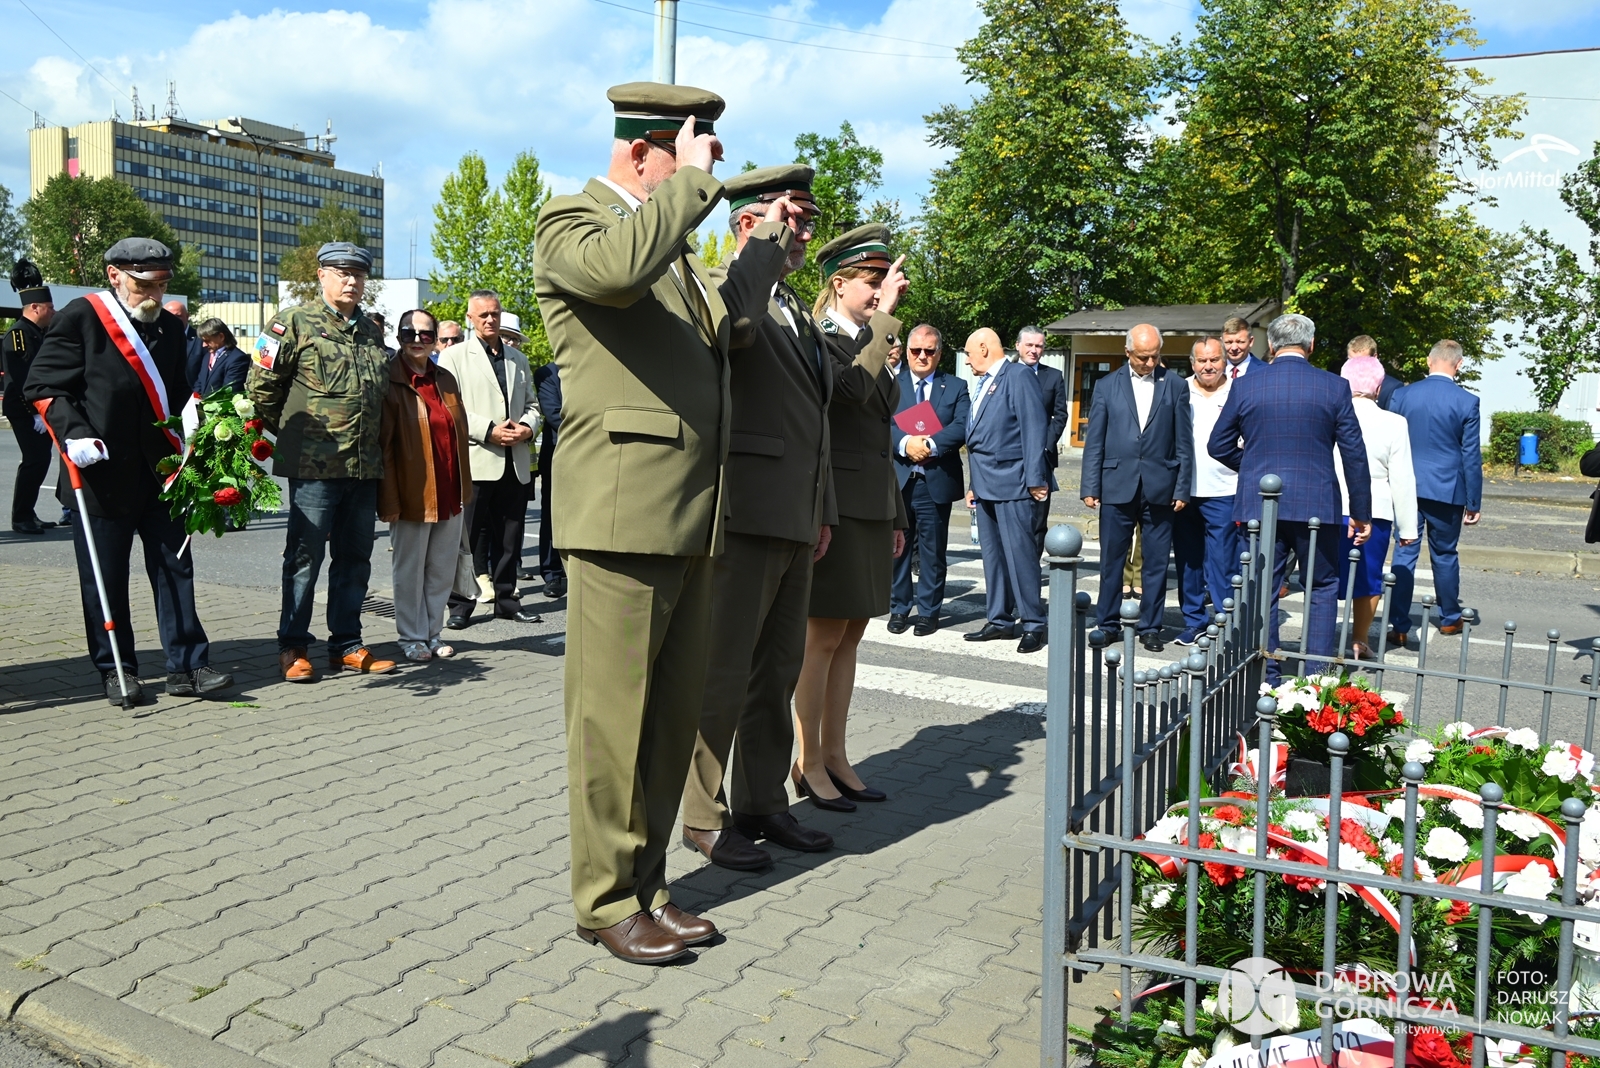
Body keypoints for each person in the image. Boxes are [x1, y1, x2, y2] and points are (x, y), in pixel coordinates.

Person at [534, 82, 791, 964]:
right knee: (613, 725)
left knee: (667, 721)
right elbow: (614, 273)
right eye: (689, 152)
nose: (702, 169)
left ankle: (648, 887)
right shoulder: (572, 221)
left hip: (687, 514)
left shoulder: (667, 246)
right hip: (621, 514)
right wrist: (692, 186)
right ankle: (604, 900)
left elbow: (731, 331)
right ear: (644, 150)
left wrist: (763, 245)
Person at [681, 164, 835, 873]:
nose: (802, 232)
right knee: (724, 672)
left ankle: (762, 801)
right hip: (744, 514)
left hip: (795, 516)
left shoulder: (794, 306)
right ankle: (702, 814)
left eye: (804, 220)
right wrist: (761, 251)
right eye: (790, 218)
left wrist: (822, 509)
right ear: (749, 223)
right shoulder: (727, 288)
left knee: (776, 672)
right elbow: (732, 332)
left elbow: (816, 423)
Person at [25, 238, 233, 703]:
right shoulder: (82, 317)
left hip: (161, 471)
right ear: (114, 275)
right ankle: (117, 669)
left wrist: (200, 422)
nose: (154, 295)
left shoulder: (170, 328)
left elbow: (177, 390)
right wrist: (75, 433)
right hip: (99, 473)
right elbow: (42, 385)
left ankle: (189, 666)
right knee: (106, 577)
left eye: (161, 286)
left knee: (175, 567)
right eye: (144, 286)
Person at [796, 223, 909, 811]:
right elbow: (849, 393)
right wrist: (884, 321)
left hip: (870, 505)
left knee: (852, 633)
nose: (880, 293)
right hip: (835, 506)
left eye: (884, 284)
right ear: (839, 284)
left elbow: (881, 432)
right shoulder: (822, 337)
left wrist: (896, 514)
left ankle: (836, 755)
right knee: (820, 637)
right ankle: (807, 760)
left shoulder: (869, 340)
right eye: (871, 282)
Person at [248, 241, 396, 683]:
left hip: (362, 466)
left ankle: (346, 644)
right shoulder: (292, 322)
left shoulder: (370, 331)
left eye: (359, 275)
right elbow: (261, 388)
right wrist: (296, 437)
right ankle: (293, 646)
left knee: (355, 558)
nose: (352, 281)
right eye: (342, 273)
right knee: (304, 558)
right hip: (314, 467)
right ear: (321, 275)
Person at [1208, 313, 1372, 683]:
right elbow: (1354, 454)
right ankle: (1316, 676)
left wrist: (1253, 466)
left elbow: (1217, 444)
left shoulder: (1246, 385)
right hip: (1317, 502)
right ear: (1311, 345)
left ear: (1270, 345)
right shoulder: (1334, 387)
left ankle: (1266, 673)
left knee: (1261, 588)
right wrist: (1361, 512)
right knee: (1322, 586)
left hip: (1260, 503)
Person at [1080, 324, 1194, 651]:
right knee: (1111, 561)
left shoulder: (1175, 386)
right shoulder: (1106, 386)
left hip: (1161, 486)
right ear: (1128, 352)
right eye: (1143, 357)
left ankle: (1150, 627)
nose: (1150, 362)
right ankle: (1107, 623)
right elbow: (1095, 441)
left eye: (1155, 356)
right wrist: (1090, 485)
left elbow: (1183, 442)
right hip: (1117, 483)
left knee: (1156, 563)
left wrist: (1182, 488)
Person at [437, 290, 542, 627]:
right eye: (482, 315)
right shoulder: (454, 357)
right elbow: (449, 408)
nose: (490, 320)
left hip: (515, 461)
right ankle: (460, 605)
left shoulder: (517, 358)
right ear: (470, 318)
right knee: (466, 539)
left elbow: (533, 405)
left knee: (509, 539)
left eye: (494, 313)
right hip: (477, 459)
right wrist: (488, 430)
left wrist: (527, 427)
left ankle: (507, 600)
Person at [380, 309, 471, 663]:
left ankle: (433, 633)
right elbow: (385, 447)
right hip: (412, 493)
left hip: (450, 489)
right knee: (410, 570)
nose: (417, 340)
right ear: (398, 337)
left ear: (435, 339)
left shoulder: (445, 378)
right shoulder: (389, 379)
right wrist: (389, 498)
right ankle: (411, 636)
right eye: (409, 333)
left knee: (441, 570)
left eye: (426, 334)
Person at [1386, 340, 1482, 643]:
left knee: (1404, 552)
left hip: (1407, 485)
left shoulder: (1402, 395)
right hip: (1447, 489)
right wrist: (1473, 501)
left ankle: (1399, 625)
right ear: (1459, 364)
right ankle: (1450, 618)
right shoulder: (1468, 401)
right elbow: (1470, 455)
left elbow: (1390, 442)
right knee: (1444, 554)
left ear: (1429, 361)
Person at [963, 327, 1051, 652]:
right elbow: (978, 438)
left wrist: (1036, 479)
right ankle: (999, 619)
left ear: (984, 348)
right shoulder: (985, 382)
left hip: (1013, 481)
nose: (967, 360)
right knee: (993, 558)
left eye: (969, 353)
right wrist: (973, 484)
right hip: (985, 482)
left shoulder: (1018, 376)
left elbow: (1033, 428)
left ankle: (1033, 623)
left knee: (1021, 556)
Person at [1332, 354, 1416, 659]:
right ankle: (1360, 639)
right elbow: (1402, 477)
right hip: (1374, 510)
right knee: (1369, 578)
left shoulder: (1329, 414)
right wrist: (1407, 526)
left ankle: (1320, 636)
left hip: (1331, 505)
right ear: (1379, 388)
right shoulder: (1394, 423)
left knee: (1326, 575)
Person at [887, 323, 969, 636]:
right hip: (899, 480)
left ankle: (928, 613)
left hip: (934, 480)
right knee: (897, 548)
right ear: (906, 352)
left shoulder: (956, 386)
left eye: (929, 351)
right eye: (915, 350)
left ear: (939, 353)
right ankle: (899, 607)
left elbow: (962, 425)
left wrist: (930, 445)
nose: (922, 356)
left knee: (933, 553)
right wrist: (906, 443)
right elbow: (881, 422)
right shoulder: (891, 383)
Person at [1172, 338, 1239, 646]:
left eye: (1214, 360)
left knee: (1223, 561)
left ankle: (1225, 623)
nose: (1208, 366)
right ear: (1192, 363)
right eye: (1202, 360)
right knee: (1188, 561)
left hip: (1225, 488)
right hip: (1185, 490)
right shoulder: (1179, 389)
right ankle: (1194, 621)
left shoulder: (1238, 390)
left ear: (1225, 361)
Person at [4, 259, 58, 534]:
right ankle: (21, 517)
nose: (53, 311)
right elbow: (22, 377)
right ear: (35, 307)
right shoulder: (19, 335)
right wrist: (35, 412)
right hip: (25, 409)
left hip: (39, 408)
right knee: (35, 459)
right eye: (49, 307)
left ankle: (28, 512)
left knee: (41, 460)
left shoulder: (40, 332)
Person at [1015, 325, 1069, 558]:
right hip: (1011, 456)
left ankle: (1032, 567)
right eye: (1029, 345)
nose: (1034, 350)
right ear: (1018, 346)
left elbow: (1060, 415)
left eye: (1039, 346)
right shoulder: (1005, 373)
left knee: (1038, 517)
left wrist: (1043, 445)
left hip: (1042, 458)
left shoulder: (1053, 376)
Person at [532, 359, 566, 598]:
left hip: (593, 455)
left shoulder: (590, 368)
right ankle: (552, 573)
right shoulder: (547, 373)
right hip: (558, 452)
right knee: (553, 514)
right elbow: (553, 413)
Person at [192, 319, 250, 397]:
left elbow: (229, 392)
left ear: (221, 337)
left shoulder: (238, 359)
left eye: (207, 341)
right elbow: (199, 383)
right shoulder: (207, 356)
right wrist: (195, 398)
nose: (204, 345)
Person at [165, 298, 204, 389]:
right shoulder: (156, 339)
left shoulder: (201, 340)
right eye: (169, 316)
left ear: (187, 316)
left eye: (178, 316)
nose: (173, 320)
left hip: (193, 393)